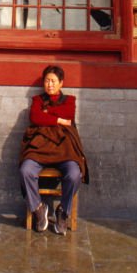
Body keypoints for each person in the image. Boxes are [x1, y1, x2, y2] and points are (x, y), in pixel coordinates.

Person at [19, 64, 89, 235]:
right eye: (47, 81)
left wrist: (47, 114)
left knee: (74, 174)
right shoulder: (37, 100)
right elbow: (35, 116)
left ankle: (63, 212)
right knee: (25, 170)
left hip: (65, 149)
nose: (49, 84)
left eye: (53, 81)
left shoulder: (70, 100)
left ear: (61, 84)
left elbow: (68, 114)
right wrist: (58, 120)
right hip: (39, 147)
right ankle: (38, 208)